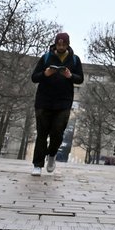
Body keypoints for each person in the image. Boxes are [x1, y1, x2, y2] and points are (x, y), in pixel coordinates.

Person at [29, 32, 84, 176]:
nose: (61, 46)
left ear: (68, 44)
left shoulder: (74, 59)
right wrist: (45, 74)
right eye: (59, 44)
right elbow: (34, 77)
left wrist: (70, 76)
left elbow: (80, 79)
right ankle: (37, 164)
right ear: (55, 44)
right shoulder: (46, 57)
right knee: (42, 133)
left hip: (63, 102)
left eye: (63, 44)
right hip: (44, 101)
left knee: (58, 133)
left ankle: (52, 155)